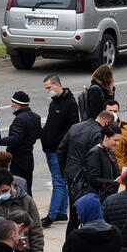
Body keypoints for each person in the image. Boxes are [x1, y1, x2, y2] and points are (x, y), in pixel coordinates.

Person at [58, 111, 114, 232]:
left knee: (74, 214)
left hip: (71, 176)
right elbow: (95, 161)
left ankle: (70, 244)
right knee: (88, 214)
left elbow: (61, 150)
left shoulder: (75, 127)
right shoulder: (98, 134)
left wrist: (65, 171)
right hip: (86, 181)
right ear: (106, 123)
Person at [40, 74, 78, 227]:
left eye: (49, 87)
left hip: (58, 150)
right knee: (60, 181)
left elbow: (72, 127)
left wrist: (59, 143)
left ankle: (52, 214)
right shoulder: (53, 103)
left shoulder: (70, 104)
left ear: (57, 85)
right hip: (49, 149)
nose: (47, 91)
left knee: (58, 182)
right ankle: (62, 212)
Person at [0, 91, 42, 194]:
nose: (12, 105)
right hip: (29, 158)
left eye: (13, 102)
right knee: (27, 188)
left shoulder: (20, 119)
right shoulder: (36, 117)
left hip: (18, 159)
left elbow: (15, 139)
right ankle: (29, 208)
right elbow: (38, 134)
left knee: (18, 190)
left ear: (19, 104)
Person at [78, 123, 122, 201]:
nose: (117, 143)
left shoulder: (110, 152)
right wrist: (113, 182)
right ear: (106, 137)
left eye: (119, 140)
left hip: (109, 195)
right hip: (98, 198)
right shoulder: (94, 153)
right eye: (115, 140)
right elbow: (92, 179)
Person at [104, 99, 127, 169]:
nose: (112, 113)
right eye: (110, 111)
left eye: (115, 111)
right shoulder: (98, 128)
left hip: (120, 170)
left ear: (119, 112)